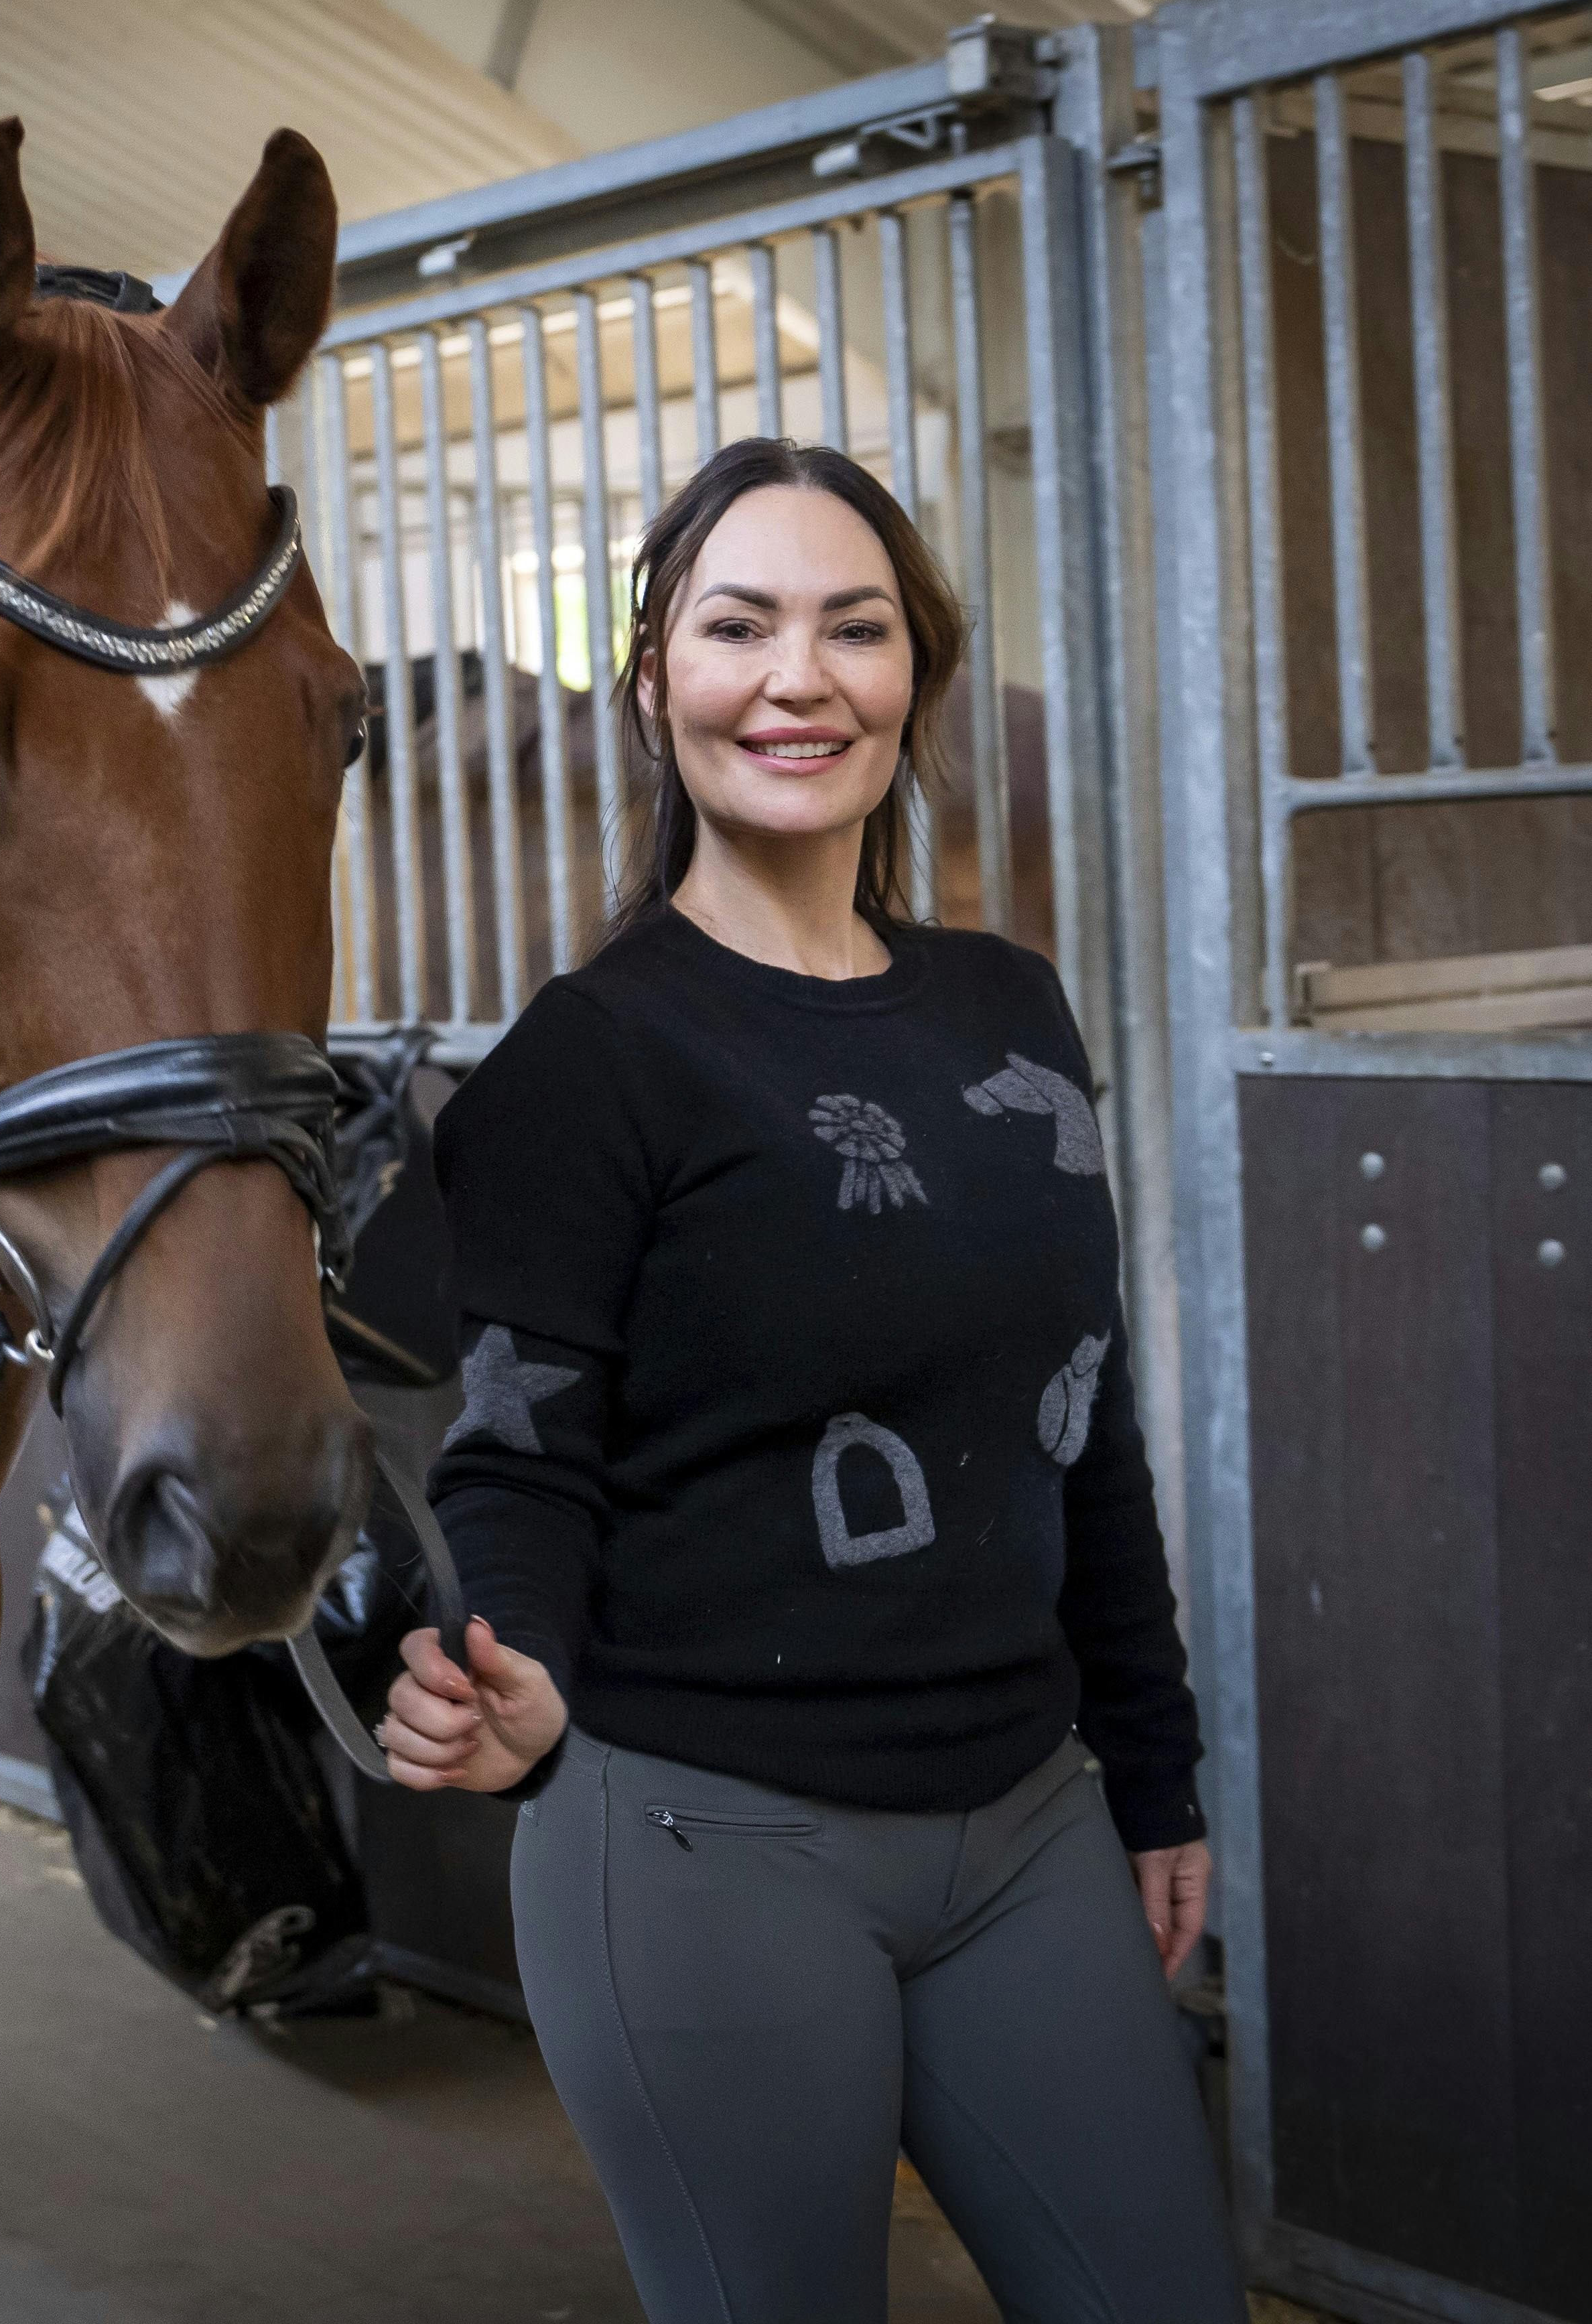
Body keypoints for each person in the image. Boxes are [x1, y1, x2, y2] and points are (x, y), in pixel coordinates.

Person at [378, 436, 1244, 2323]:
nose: (798, 678)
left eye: (854, 628)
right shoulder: (583, 1063)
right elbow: (518, 1450)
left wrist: (1156, 1780)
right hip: (702, 1842)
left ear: (912, 672)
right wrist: (511, 1661)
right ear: (654, 677)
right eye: (738, 626)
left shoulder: (1013, 1010)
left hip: (1028, 1828)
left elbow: (1080, 1432)